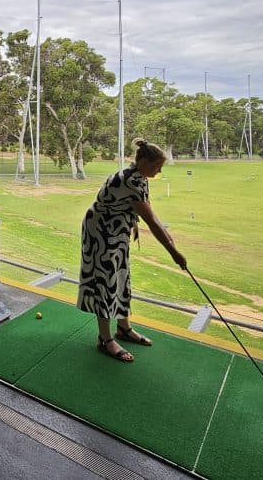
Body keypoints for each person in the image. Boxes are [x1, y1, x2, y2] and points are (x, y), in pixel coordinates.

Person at [78, 137, 187, 363]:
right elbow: (151, 222)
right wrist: (173, 252)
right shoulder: (131, 181)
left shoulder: (140, 177)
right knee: (105, 282)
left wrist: (170, 240)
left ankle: (123, 328)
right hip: (101, 232)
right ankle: (105, 339)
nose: (159, 171)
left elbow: (152, 215)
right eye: (157, 166)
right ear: (144, 161)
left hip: (117, 232)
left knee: (121, 278)